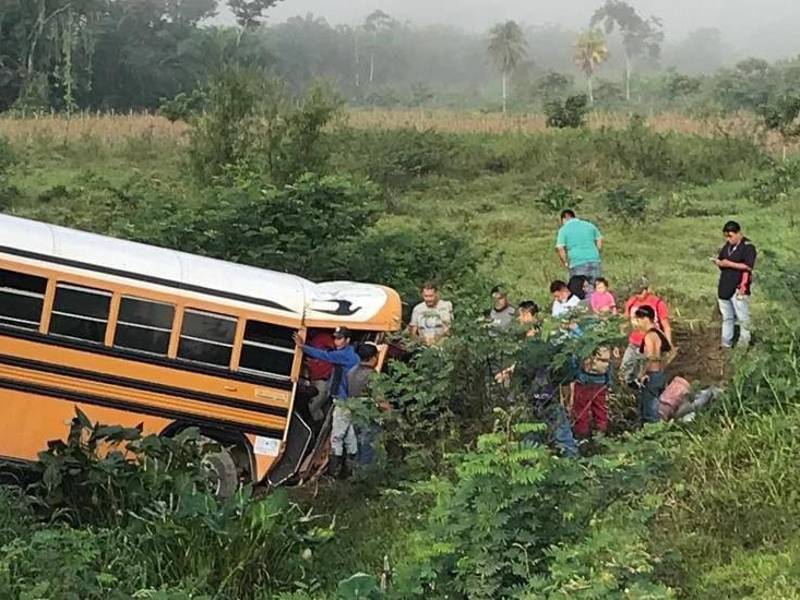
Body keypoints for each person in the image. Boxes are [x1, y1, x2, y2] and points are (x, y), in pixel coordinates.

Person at [293, 326, 360, 477]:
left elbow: (324, 356)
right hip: (348, 400)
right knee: (349, 436)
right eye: (335, 338)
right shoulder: (348, 354)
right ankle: (350, 470)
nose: (336, 342)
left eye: (340, 338)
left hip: (344, 401)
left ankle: (334, 472)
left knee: (337, 436)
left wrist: (302, 347)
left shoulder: (344, 355)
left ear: (347, 340)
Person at [513, 340, 578, 458]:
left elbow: (518, 385)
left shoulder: (523, 352)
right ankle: (571, 465)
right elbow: (565, 384)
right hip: (552, 403)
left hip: (530, 405)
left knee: (530, 441)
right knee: (564, 439)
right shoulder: (557, 351)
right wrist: (568, 404)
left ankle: (531, 464)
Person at [621, 278, 672, 386]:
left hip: (650, 346)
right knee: (625, 371)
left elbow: (666, 326)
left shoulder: (657, 303)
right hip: (634, 343)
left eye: (641, 292)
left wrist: (668, 345)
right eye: (636, 293)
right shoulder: (631, 302)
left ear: (647, 290)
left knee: (648, 375)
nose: (639, 295)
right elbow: (625, 321)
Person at [714, 221, 757, 349]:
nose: (728, 239)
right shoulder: (727, 247)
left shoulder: (748, 247)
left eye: (731, 236)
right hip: (725, 285)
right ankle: (726, 343)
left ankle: (743, 345)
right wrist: (719, 263)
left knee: (743, 318)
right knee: (727, 317)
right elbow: (722, 260)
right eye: (726, 237)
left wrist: (729, 264)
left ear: (738, 233)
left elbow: (748, 266)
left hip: (739, 287)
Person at [633, 305, 672, 424]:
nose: (637, 323)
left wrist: (642, 374)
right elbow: (667, 353)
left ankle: (652, 435)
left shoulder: (649, 336)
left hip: (651, 376)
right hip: (660, 374)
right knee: (656, 407)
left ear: (645, 319)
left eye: (638, 320)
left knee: (649, 411)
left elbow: (649, 357)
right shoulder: (659, 333)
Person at [347, 343, 382, 466]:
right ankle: (365, 476)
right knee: (369, 446)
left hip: (354, 412)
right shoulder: (372, 375)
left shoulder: (351, 372)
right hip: (368, 414)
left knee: (357, 445)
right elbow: (380, 399)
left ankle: (355, 474)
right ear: (373, 358)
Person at [572, 346, 612, 439]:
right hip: (601, 382)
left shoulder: (583, 345)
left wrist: (577, 376)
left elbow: (575, 363)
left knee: (581, 410)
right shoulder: (605, 346)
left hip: (584, 382)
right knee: (600, 410)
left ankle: (582, 436)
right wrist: (608, 382)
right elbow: (610, 366)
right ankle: (600, 435)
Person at [556, 209, 604, 283]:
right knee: (596, 287)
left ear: (564, 219)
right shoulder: (589, 225)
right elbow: (599, 239)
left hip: (577, 262)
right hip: (594, 260)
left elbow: (560, 248)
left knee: (579, 289)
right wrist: (597, 251)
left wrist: (565, 262)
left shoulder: (563, 230)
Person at [409, 281, 453, 346]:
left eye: (431, 296)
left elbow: (448, 329)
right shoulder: (417, 309)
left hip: (442, 344)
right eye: (426, 296)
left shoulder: (445, 306)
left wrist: (437, 339)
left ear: (436, 294)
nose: (428, 299)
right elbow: (413, 332)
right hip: (423, 345)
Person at [305, 330, 335, 422]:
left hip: (324, 380)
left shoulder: (323, 337)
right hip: (312, 380)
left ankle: (318, 426)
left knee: (313, 406)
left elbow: (335, 348)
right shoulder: (307, 341)